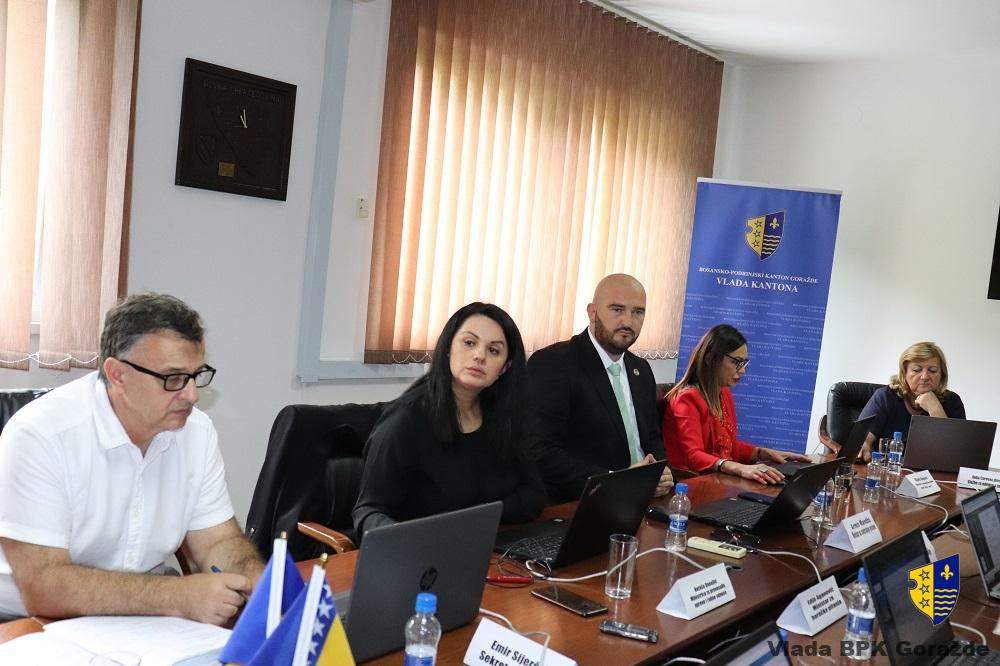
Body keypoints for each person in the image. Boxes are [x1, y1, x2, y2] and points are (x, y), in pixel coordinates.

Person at [0, 293, 263, 624]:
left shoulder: (196, 432)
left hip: (142, 616)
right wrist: (178, 596)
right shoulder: (41, 434)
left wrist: (259, 584)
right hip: (27, 623)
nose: (192, 395)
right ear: (117, 375)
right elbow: (43, 586)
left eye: (196, 375)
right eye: (173, 378)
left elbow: (217, 541)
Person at [352, 302, 545, 540]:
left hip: (482, 544)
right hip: (420, 549)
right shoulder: (406, 420)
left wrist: (477, 518)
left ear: (505, 367)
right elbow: (369, 511)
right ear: (447, 349)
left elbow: (533, 494)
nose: (479, 355)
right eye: (469, 343)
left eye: (494, 350)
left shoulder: (503, 418)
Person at [525, 274, 674, 503]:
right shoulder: (554, 364)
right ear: (592, 312)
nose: (628, 321)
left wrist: (660, 473)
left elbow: (652, 437)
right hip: (585, 502)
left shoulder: (641, 369)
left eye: (638, 312)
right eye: (617, 309)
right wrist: (617, 481)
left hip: (646, 500)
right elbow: (541, 453)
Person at [663, 324, 810, 484]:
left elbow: (727, 446)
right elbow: (693, 455)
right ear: (710, 358)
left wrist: (762, 453)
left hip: (719, 479)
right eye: (736, 362)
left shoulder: (725, 393)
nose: (742, 370)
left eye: (744, 363)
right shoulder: (686, 398)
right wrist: (739, 468)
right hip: (691, 484)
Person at [857, 341, 965, 460]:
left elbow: (957, 454)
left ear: (942, 375)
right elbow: (861, 440)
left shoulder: (952, 402)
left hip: (930, 471)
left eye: (933, 371)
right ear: (904, 373)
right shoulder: (885, 397)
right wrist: (864, 445)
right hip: (887, 469)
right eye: (917, 370)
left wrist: (935, 410)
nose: (925, 377)